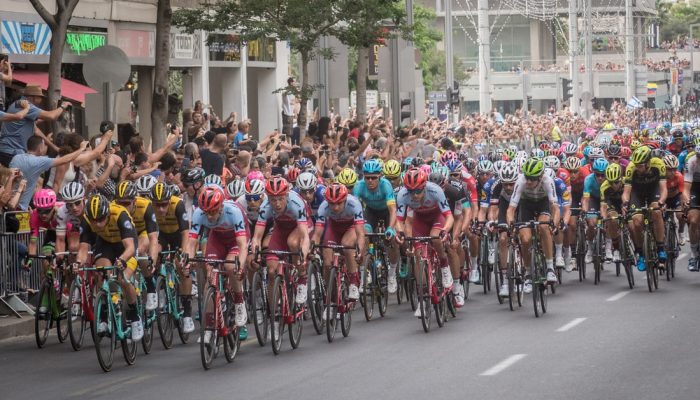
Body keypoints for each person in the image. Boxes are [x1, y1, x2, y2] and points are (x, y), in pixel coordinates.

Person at [76, 194, 143, 341]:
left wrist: (122, 260)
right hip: (105, 244)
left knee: (123, 279)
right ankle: (104, 316)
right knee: (101, 273)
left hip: (126, 245)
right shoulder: (87, 220)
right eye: (94, 221)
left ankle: (135, 316)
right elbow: (83, 248)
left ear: (107, 214)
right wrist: (78, 263)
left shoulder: (119, 214)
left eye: (101, 219)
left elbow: (130, 247)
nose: (98, 224)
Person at [313, 183, 366, 301]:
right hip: (334, 228)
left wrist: (359, 250)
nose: (335, 207)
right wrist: (314, 249)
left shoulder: (354, 204)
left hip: (351, 227)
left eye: (339, 203)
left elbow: (360, 233)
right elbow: (317, 233)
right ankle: (331, 296)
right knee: (327, 262)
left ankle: (353, 282)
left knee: (347, 245)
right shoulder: (323, 207)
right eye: (332, 203)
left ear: (345, 199)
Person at [0, 85, 71, 166]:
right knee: (20, 176)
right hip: (12, 151)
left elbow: (35, 129)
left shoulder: (19, 104)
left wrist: (53, 146)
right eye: (40, 97)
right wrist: (63, 106)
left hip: (9, 150)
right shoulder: (26, 106)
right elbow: (51, 116)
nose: (41, 100)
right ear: (33, 97)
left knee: (19, 177)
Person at [10, 136, 87, 210]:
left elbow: (16, 175)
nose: (45, 148)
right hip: (20, 207)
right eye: (44, 146)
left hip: (8, 202)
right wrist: (81, 149)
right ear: (40, 148)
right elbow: (65, 160)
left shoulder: (16, 158)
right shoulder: (39, 161)